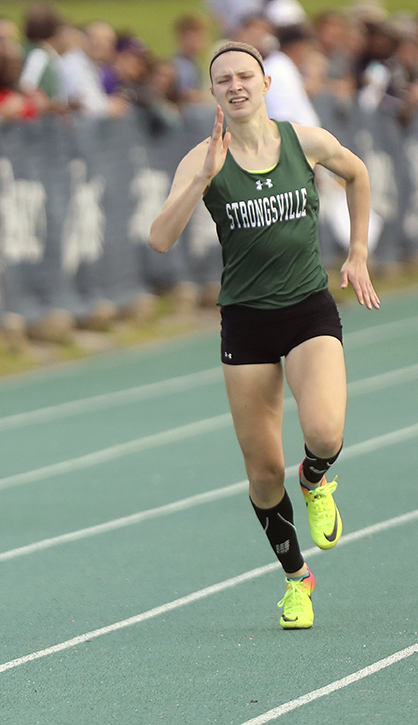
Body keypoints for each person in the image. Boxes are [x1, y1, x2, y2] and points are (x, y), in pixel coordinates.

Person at [148, 41, 380, 630]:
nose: (235, 85)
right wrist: (199, 181)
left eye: (244, 75)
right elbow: (160, 237)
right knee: (261, 471)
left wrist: (357, 251)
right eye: (222, 79)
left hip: (307, 308)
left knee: (325, 430)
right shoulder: (203, 157)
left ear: (265, 82)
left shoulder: (304, 141)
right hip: (246, 322)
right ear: (212, 91)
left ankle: (317, 477)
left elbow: (357, 173)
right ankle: (297, 580)